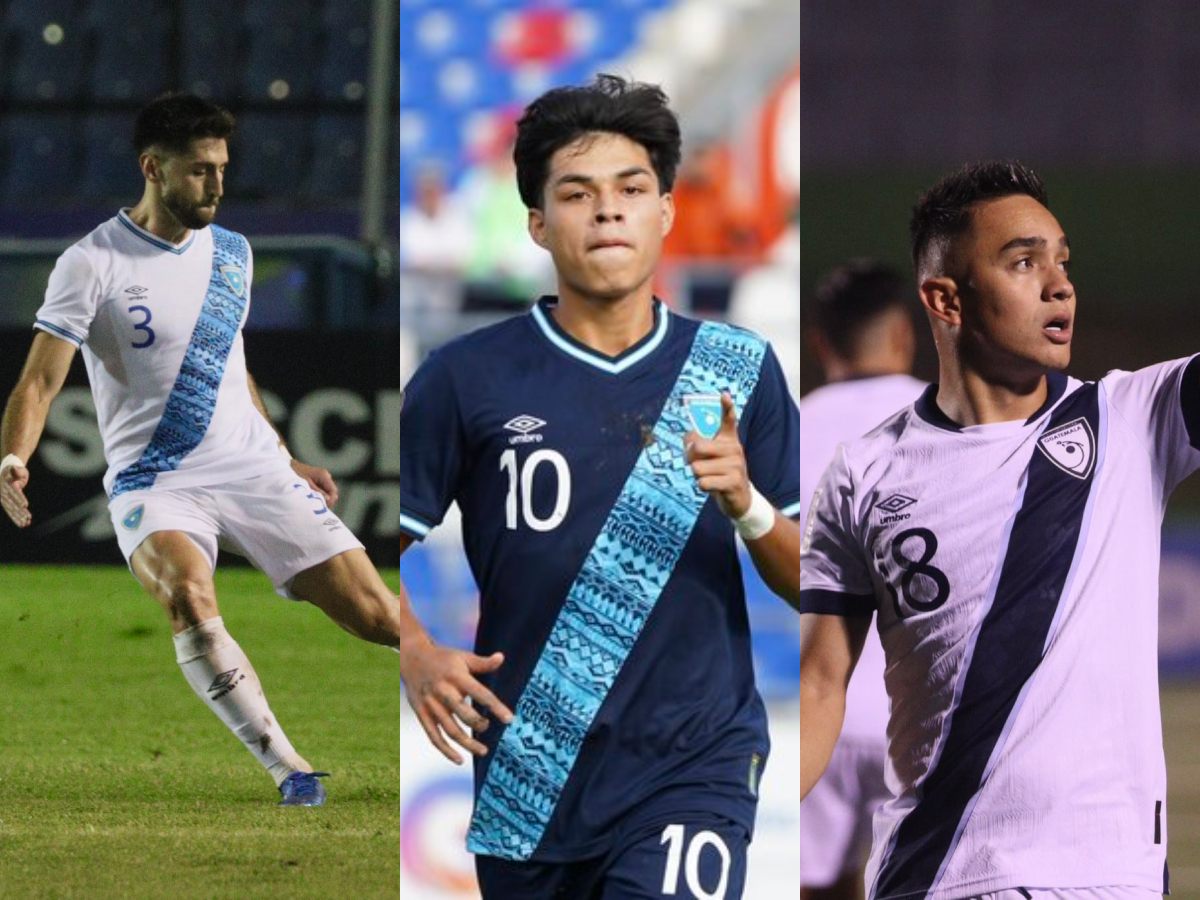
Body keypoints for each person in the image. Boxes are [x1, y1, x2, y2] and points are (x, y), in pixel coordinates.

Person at [399, 74, 802, 899]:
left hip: (693, 761)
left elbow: (813, 583)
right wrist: (414, 647)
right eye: (578, 194)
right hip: (527, 768)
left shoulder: (737, 372)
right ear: (539, 223)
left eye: (631, 189)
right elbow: (364, 545)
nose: (608, 210)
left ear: (666, 212)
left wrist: (747, 505)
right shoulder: (464, 378)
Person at [0, 93, 405, 807]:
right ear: (152, 168)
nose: (218, 185)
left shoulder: (234, 256)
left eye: (222, 168)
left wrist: (285, 456)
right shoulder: (90, 262)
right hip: (155, 481)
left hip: (251, 467)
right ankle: (292, 771)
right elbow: (39, 379)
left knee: (382, 619)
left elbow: (232, 368)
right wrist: (13, 457)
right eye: (200, 171)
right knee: (189, 595)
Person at [799, 160, 1185, 899]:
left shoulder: (1134, 419)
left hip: (1106, 881)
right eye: (1023, 261)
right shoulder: (865, 472)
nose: (1059, 283)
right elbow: (822, 684)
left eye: (1061, 260)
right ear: (946, 299)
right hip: (937, 877)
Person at [799, 261, 925, 900]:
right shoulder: (949, 421)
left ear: (822, 345)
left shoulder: (792, 426)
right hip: (922, 714)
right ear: (904, 334)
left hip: (815, 708)